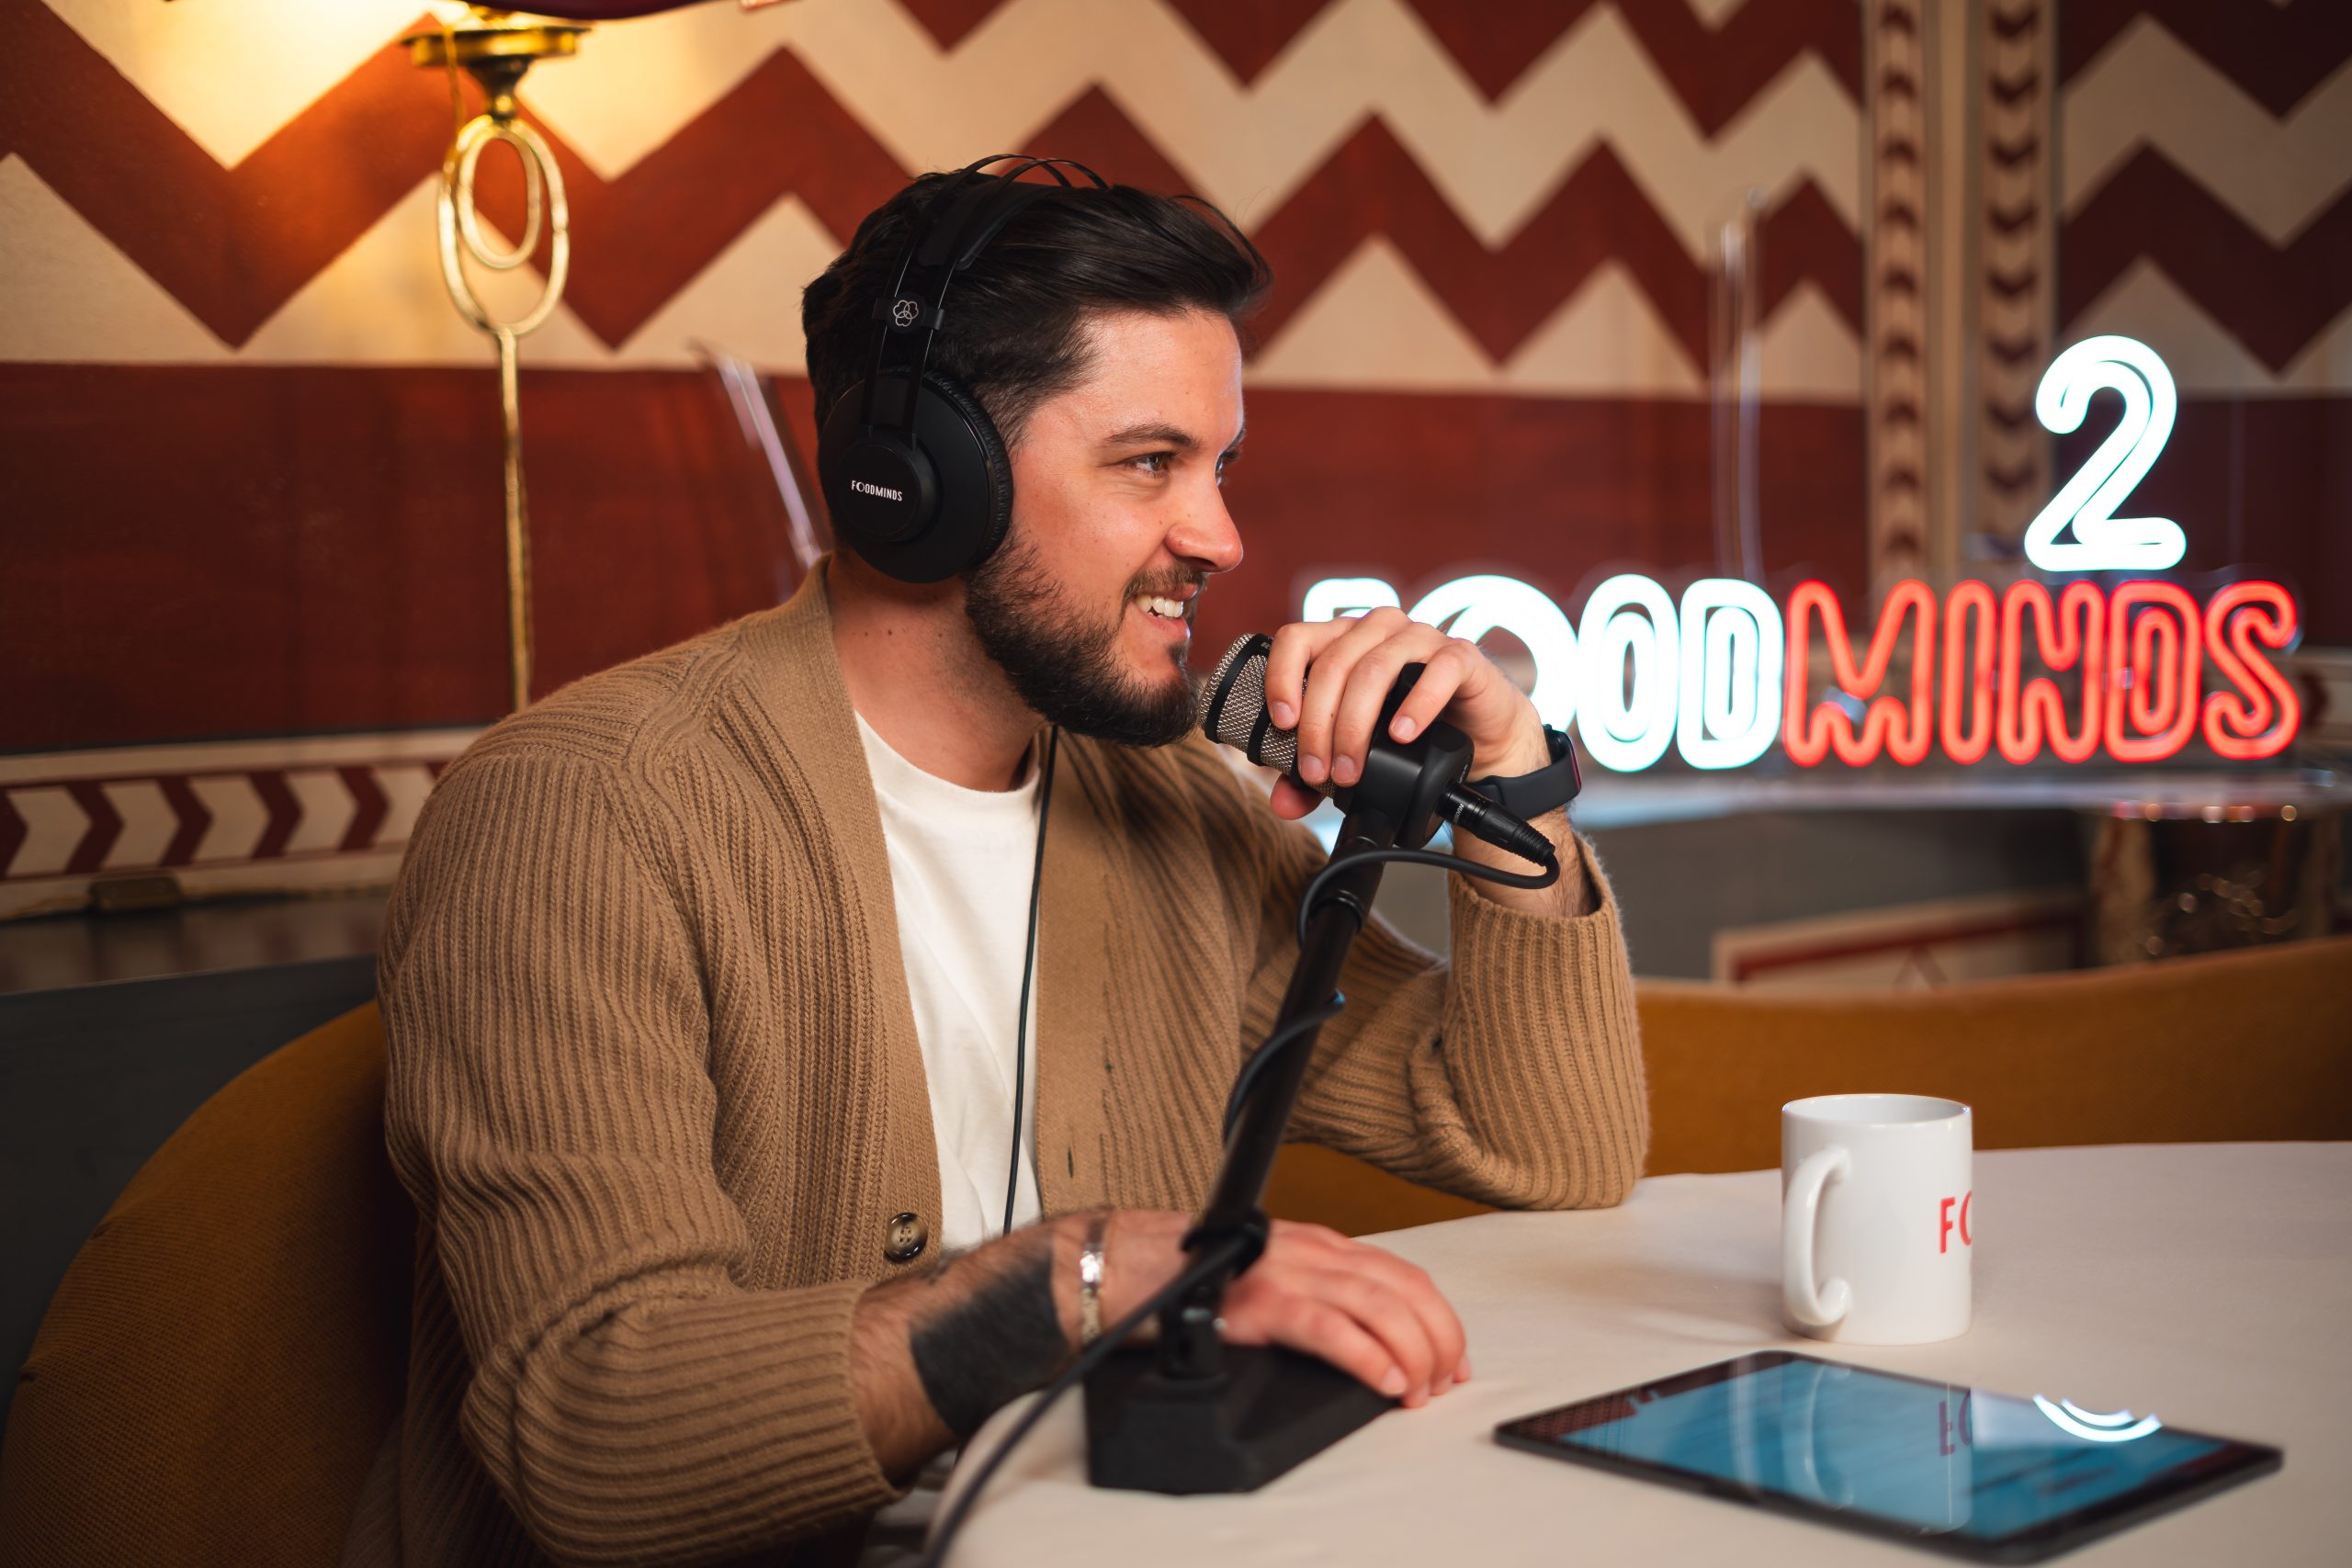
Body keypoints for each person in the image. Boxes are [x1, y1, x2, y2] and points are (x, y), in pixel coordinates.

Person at [347, 162, 1648, 1567]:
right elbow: (596, 1438)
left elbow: (1548, 1144)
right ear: (919, 475)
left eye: (1218, 468)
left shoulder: (1171, 800)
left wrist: (1512, 778)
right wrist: (1063, 1288)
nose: (1218, 538)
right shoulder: (585, 814)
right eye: (1148, 463)